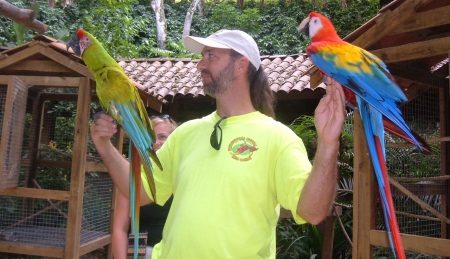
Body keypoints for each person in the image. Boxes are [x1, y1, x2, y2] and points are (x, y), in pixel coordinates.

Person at [91, 29, 346, 259]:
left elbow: (312, 212)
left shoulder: (278, 138)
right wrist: (104, 146)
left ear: (241, 65)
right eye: (203, 56)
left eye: (211, 56)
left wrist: (327, 144)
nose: (200, 64)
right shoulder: (185, 133)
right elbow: (142, 192)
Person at [112, 115, 177, 259]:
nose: (155, 143)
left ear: (174, 140)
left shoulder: (181, 173)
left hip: (174, 250)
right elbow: (120, 228)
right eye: (149, 137)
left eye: (162, 137)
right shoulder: (134, 174)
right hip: (140, 250)